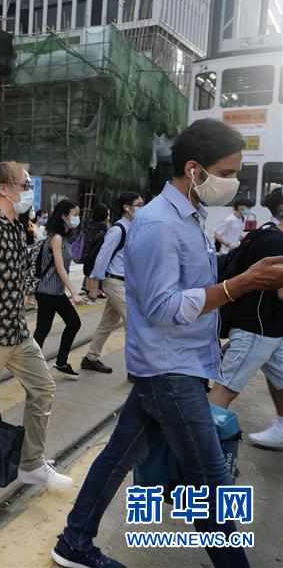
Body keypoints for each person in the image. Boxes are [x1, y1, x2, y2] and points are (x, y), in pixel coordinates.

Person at [52, 119, 283, 568]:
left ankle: (73, 541)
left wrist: (244, 271)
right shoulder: (158, 223)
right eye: (228, 172)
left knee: (118, 458)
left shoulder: (190, 216)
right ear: (194, 169)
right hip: (169, 369)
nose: (234, 183)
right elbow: (163, 306)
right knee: (213, 481)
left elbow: (195, 279)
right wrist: (242, 284)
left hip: (179, 364)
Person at [0, 161, 72, 495]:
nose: (28, 190)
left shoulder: (16, 226)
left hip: (17, 331)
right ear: (4, 189)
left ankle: (32, 464)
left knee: (43, 388)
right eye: (24, 184)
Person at [207, 187, 283, 450]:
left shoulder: (264, 233)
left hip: (272, 328)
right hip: (257, 328)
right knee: (225, 388)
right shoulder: (274, 242)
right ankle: (194, 452)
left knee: (281, 378)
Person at [79, 192, 143, 375]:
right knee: (133, 322)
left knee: (107, 322)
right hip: (114, 282)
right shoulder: (118, 230)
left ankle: (90, 358)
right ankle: (135, 368)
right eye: (138, 205)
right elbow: (102, 257)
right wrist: (94, 284)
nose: (142, 208)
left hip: (125, 283)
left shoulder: (135, 228)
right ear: (126, 207)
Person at [32, 199, 84, 380]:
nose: (77, 218)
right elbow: (60, 268)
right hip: (48, 292)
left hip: (54, 292)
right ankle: (36, 364)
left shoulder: (64, 237)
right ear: (64, 216)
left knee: (46, 329)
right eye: (74, 214)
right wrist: (74, 292)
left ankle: (56, 362)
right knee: (46, 329)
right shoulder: (56, 238)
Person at [78, 203, 109, 296]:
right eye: (108, 214)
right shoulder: (104, 229)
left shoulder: (88, 224)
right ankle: (96, 291)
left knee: (88, 271)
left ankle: (87, 288)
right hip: (96, 256)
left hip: (86, 255)